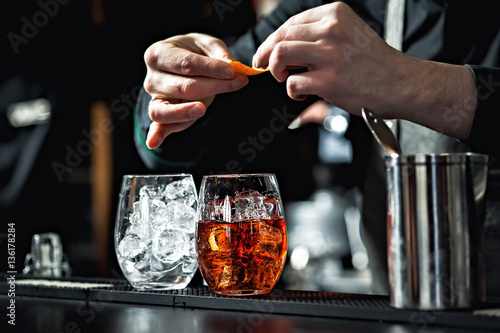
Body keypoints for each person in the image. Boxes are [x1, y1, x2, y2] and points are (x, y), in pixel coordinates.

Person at [135, 0, 500, 294]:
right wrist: (174, 89)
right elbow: (201, 133)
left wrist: (410, 82)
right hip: (396, 306)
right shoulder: (353, 6)